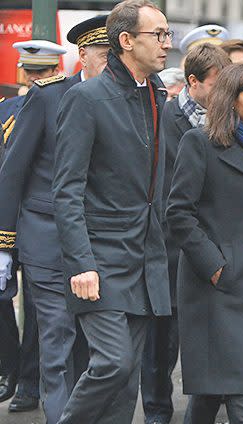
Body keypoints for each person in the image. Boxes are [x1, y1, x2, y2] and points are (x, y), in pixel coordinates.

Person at [52, 1, 172, 422]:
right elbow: (66, 189)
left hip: (144, 260)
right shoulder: (86, 98)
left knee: (126, 383)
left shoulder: (157, 94)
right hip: (99, 261)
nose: (166, 44)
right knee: (112, 364)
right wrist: (81, 263)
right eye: (157, 35)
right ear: (126, 40)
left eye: (167, 33)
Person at [166, 63, 243, 424]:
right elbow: (179, 213)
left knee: (226, 385)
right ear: (230, 100)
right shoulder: (200, 142)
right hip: (216, 284)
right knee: (237, 388)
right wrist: (215, 266)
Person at [0, 15, 109, 422]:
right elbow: (13, 172)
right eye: (104, 55)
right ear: (83, 56)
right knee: (58, 341)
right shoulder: (48, 97)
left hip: (100, 242)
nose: (111, 63)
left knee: (91, 348)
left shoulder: (124, 99)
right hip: (47, 239)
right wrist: (4, 245)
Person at [141, 43, 230, 424]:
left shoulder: (227, 122)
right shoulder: (161, 117)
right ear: (192, 82)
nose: (224, 95)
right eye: (216, 85)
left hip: (213, 252)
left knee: (207, 341)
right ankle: (158, 411)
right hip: (168, 250)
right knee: (160, 343)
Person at [0, 40, 67, 144]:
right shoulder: (5, 107)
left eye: (40, 71)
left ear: (56, 71)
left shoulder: (68, 107)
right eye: (28, 71)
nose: (33, 77)